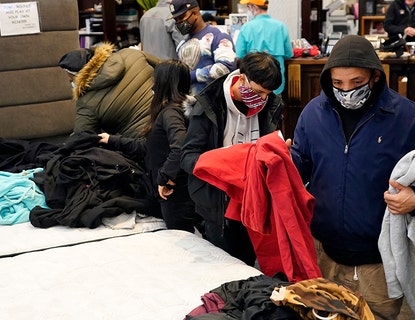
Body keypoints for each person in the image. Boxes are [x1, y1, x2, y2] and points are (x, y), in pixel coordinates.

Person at [288, 35, 415, 320]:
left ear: (374, 76)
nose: (347, 91)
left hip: (379, 265)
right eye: (338, 84)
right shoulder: (314, 113)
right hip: (324, 256)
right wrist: (279, 161)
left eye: (356, 83)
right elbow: (299, 164)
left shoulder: (404, 117)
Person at [180, 52, 283, 266]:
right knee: (224, 264)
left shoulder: (270, 105)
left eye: (268, 93)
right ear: (242, 78)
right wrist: (223, 163)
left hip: (254, 201)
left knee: (250, 262)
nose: (263, 99)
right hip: (218, 204)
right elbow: (188, 156)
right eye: (258, 92)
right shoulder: (209, 104)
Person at [97, 60, 200, 232]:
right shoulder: (180, 110)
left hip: (174, 193)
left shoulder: (170, 113)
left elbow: (180, 147)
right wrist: (112, 140)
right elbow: (152, 147)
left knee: (182, 235)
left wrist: (165, 178)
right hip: (177, 189)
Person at [58, 42, 160, 139]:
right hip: (170, 122)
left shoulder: (86, 102)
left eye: (71, 79)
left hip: (141, 141)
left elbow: (82, 135)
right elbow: (168, 67)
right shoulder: (131, 54)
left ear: (79, 77)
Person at [170, 0, 237, 95]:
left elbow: (226, 67)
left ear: (195, 13)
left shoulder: (218, 35)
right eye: (176, 20)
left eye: (181, 17)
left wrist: (190, 76)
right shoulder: (181, 45)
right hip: (189, 104)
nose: (179, 22)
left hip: (214, 102)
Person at [235, 0, 293, 95]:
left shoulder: (247, 27)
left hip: (254, 81)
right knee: (275, 107)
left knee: (255, 106)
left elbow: (240, 54)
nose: (249, 9)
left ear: (255, 7)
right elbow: (289, 54)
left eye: (249, 6)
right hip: (275, 80)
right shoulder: (281, 26)